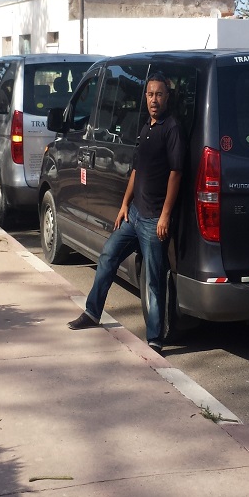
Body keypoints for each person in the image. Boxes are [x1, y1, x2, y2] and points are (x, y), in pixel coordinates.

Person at [67, 72, 184, 352]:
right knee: (108, 255)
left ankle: (155, 338)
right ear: (145, 97)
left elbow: (176, 173)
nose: (154, 100)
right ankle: (92, 312)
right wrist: (123, 206)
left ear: (167, 97)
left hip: (154, 218)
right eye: (150, 94)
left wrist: (165, 215)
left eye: (159, 95)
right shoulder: (146, 126)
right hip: (134, 215)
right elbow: (136, 171)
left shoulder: (172, 128)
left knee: (154, 279)